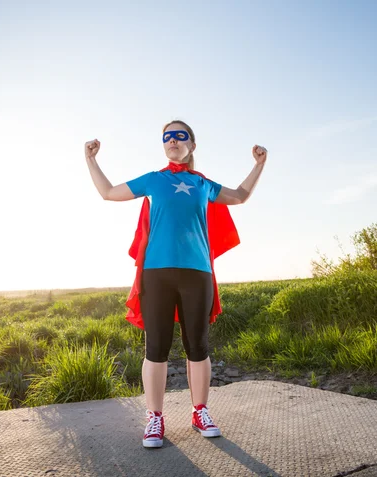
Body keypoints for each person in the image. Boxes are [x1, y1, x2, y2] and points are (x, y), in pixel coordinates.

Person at [84, 120, 267, 448]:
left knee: (197, 346)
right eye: (167, 136)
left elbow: (239, 196)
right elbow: (108, 193)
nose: (173, 140)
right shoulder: (154, 180)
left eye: (180, 135)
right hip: (156, 273)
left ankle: (200, 412)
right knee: (156, 347)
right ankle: (154, 418)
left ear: (192, 145)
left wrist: (258, 165)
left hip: (197, 273)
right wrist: (91, 160)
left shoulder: (203, 184)